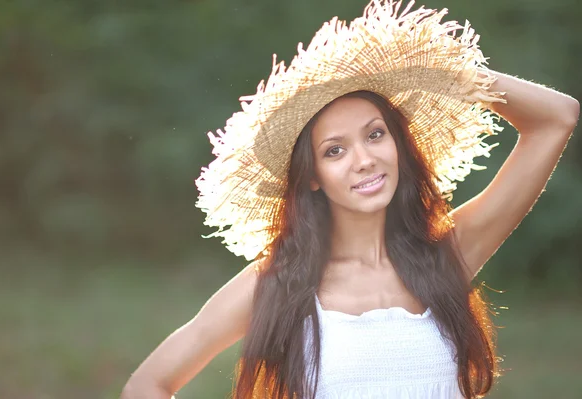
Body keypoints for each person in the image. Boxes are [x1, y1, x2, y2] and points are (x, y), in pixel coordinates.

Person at [120, 1, 579, 398]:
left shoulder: (450, 254)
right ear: (314, 177)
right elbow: (147, 385)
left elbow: (557, 118)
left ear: (397, 146)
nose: (363, 160)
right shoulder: (280, 280)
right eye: (334, 151)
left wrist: (445, 67)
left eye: (375, 135)